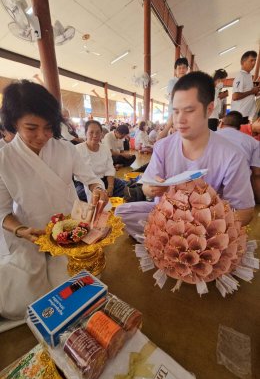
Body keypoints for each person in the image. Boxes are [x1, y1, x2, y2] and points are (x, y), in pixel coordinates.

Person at [0, 80, 108, 320]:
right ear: (13, 123)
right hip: (31, 234)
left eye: (48, 127)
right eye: (31, 128)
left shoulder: (65, 148)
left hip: (69, 229)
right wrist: (20, 230)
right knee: (21, 301)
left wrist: (97, 189)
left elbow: (91, 180)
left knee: (73, 288)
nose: (42, 136)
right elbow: (2, 213)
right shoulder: (3, 159)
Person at [116, 72, 255, 240]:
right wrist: (152, 189)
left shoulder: (231, 155)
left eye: (189, 111)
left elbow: (245, 211)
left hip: (208, 227)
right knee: (121, 213)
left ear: (209, 109)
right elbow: (146, 187)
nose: (180, 119)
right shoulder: (163, 146)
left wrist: (203, 228)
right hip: (166, 218)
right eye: (175, 112)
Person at [75, 120, 126, 200]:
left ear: (101, 134)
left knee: (123, 186)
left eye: (98, 132)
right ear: (85, 133)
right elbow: (78, 174)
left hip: (103, 180)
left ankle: (106, 198)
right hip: (85, 183)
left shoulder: (105, 148)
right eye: (91, 132)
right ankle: (104, 198)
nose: (95, 135)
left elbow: (109, 169)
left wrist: (110, 187)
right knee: (80, 194)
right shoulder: (77, 149)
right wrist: (96, 188)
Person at [217, 111, 260, 203]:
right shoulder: (253, 142)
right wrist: (258, 199)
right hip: (238, 191)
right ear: (240, 127)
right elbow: (256, 174)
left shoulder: (208, 136)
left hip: (211, 189)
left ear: (221, 123)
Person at [157, 57, 189, 140]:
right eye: (179, 68)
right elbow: (174, 97)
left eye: (183, 68)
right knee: (174, 135)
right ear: (175, 70)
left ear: (187, 69)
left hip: (186, 111)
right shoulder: (172, 81)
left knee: (183, 135)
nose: (181, 70)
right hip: (174, 111)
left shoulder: (190, 82)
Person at [231, 51, 260, 124]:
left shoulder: (248, 76)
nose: (254, 63)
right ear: (243, 62)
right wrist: (252, 92)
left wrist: (255, 92)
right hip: (239, 115)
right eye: (251, 60)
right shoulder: (241, 76)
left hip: (246, 114)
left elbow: (248, 93)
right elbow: (235, 96)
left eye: (255, 60)